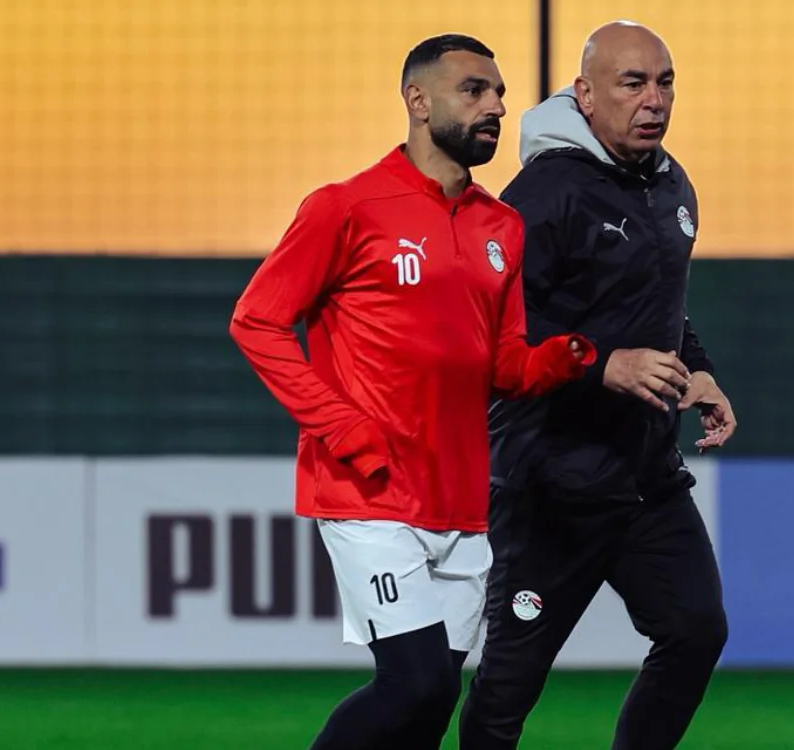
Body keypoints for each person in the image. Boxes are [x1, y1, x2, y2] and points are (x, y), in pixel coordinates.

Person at [229, 33, 595, 750]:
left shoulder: (501, 227)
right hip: (370, 490)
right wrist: (340, 428)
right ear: (417, 100)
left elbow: (505, 364)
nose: (495, 106)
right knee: (414, 681)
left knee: (429, 709)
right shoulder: (346, 207)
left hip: (461, 498)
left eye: (498, 93)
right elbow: (257, 322)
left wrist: (566, 357)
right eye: (474, 91)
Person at [459, 21, 736, 750]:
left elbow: (660, 303)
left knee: (696, 630)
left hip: (645, 479)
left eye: (665, 81)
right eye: (632, 82)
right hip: (554, 481)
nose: (654, 100)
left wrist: (697, 367)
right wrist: (603, 362)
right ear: (584, 94)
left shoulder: (672, 184)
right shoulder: (543, 193)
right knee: (507, 692)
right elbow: (498, 323)